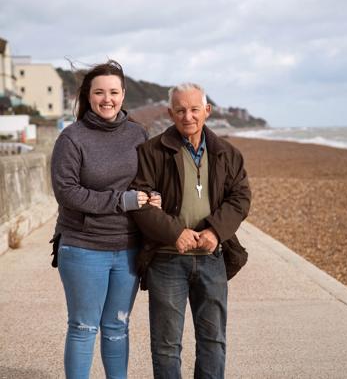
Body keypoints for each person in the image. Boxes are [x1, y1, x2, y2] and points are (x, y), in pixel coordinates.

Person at [130, 83, 252, 378]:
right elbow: (139, 202)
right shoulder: (151, 151)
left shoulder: (227, 153)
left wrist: (214, 231)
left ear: (207, 111)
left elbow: (240, 198)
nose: (188, 116)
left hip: (212, 258)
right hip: (166, 260)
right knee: (166, 345)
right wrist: (175, 233)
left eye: (194, 109)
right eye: (181, 110)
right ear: (171, 113)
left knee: (213, 341)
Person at [50, 60, 160, 379]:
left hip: (128, 248)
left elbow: (149, 179)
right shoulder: (72, 139)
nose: (107, 99)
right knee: (84, 327)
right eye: (99, 92)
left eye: (113, 92)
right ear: (89, 95)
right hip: (83, 248)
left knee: (117, 326)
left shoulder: (139, 134)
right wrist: (120, 201)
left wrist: (154, 196)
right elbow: (67, 192)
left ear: (123, 95)